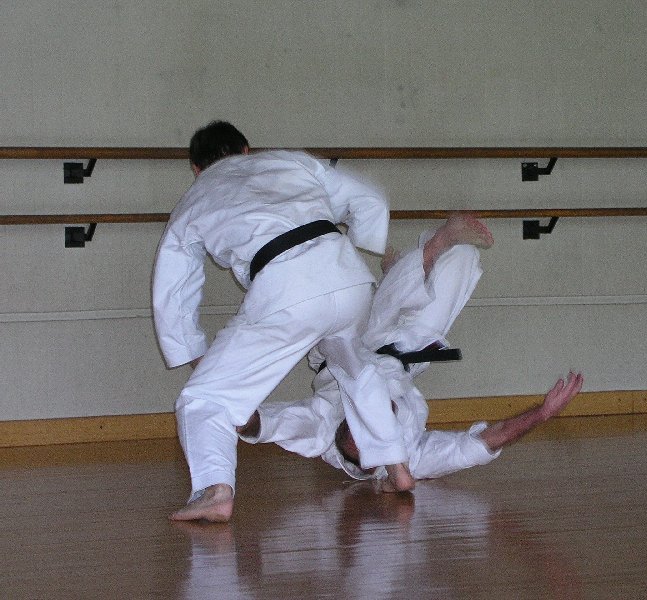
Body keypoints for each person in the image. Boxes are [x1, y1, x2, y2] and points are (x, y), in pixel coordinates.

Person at [152, 121, 413, 523]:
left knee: (204, 398)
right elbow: (370, 197)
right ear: (245, 150)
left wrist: (192, 353)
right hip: (349, 276)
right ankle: (396, 465)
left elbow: (174, 289)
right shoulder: (289, 160)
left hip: (287, 287)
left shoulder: (195, 198)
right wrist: (364, 242)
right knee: (355, 370)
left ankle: (215, 490)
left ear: (196, 169)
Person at [237, 213, 583, 483]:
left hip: (350, 346)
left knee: (370, 314)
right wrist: (541, 414)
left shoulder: (319, 428)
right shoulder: (411, 457)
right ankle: (405, 270)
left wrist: (224, 407)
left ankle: (431, 248)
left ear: (343, 427)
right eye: (382, 421)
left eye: (364, 418)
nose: (377, 410)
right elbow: (482, 443)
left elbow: (261, 424)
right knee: (464, 258)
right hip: (409, 350)